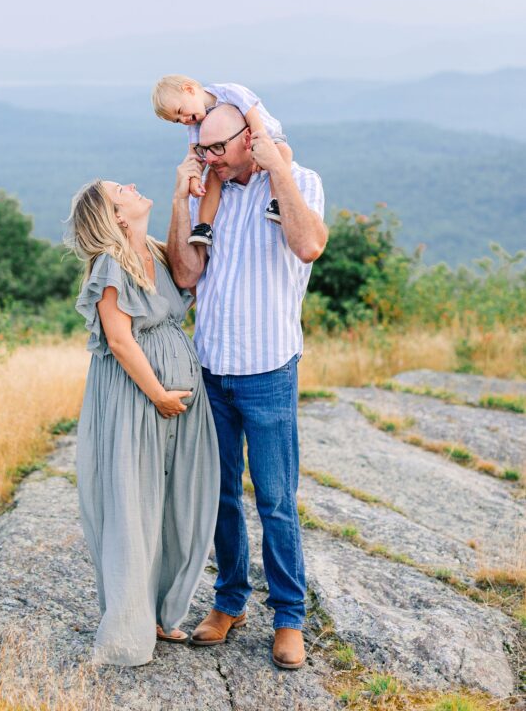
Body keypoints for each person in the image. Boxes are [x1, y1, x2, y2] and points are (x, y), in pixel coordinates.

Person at [166, 105, 327, 671]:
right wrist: (179, 196)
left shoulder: (299, 181)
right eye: (202, 149)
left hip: (268, 371)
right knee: (221, 496)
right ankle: (229, 601)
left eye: (216, 149)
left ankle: (288, 617)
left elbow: (308, 247)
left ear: (248, 139)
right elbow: (185, 274)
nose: (207, 158)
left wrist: (275, 169)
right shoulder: (208, 191)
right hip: (211, 367)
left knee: (277, 501)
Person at [68, 179, 219, 667]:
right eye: (121, 189)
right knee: (136, 501)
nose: (132, 186)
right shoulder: (112, 265)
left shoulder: (152, 250)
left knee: (175, 500)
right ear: (116, 215)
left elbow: (196, 262)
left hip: (173, 403)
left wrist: (201, 184)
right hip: (139, 400)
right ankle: (128, 628)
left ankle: (159, 610)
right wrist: (157, 395)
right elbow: (119, 339)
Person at [152, 75, 292, 246]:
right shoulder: (195, 124)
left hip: (266, 137)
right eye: (177, 120)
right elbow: (194, 156)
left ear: (189, 89)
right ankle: (204, 227)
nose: (183, 120)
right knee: (212, 176)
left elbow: (255, 121)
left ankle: (277, 201)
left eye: (180, 111)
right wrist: (195, 178)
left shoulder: (229, 92)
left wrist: (259, 150)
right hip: (237, 153)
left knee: (283, 152)